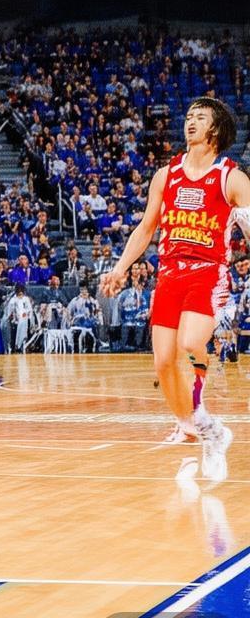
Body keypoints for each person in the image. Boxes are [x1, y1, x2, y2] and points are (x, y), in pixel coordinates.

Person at [102, 98, 250, 483]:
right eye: (188, 117)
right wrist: (120, 268)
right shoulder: (165, 175)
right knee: (164, 362)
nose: (190, 122)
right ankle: (194, 426)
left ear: (215, 129)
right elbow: (146, 228)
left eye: (200, 117)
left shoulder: (232, 178)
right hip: (169, 274)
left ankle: (208, 427)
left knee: (190, 341)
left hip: (209, 272)